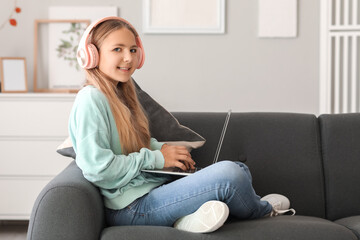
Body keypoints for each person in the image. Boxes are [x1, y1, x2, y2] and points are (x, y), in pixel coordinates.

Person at [69, 16, 295, 234]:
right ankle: (262, 210)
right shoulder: (91, 99)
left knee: (240, 169)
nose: (128, 57)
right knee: (231, 174)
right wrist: (158, 158)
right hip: (131, 208)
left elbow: (130, 145)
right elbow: (99, 169)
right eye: (117, 49)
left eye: (133, 50)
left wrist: (166, 151)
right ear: (92, 55)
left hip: (151, 191)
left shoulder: (121, 95)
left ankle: (187, 219)